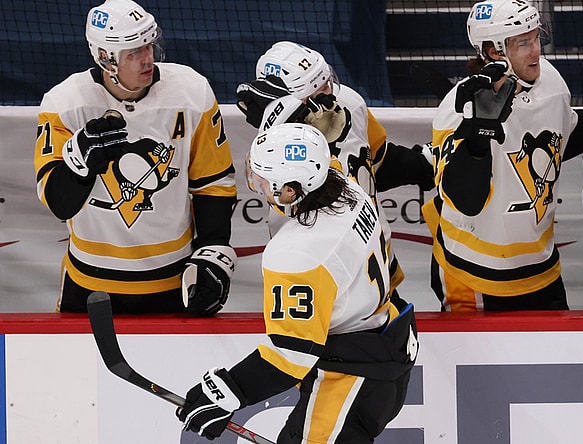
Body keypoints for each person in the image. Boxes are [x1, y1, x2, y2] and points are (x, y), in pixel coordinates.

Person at [176, 123, 418, 442]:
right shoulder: (347, 187)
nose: (256, 183)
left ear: (289, 190)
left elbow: (292, 355)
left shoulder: (298, 253)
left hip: (349, 378)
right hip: (388, 344)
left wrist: (227, 391)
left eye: (262, 178)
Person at [33, 0, 237, 315]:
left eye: (149, 45)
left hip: (175, 282)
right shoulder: (64, 104)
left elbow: (213, 182)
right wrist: (80, 161)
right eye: (134, 52)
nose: (148, 58)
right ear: (106, 59)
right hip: (90, 286)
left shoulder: (192, 92)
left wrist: (213, 250)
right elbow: (58, 202)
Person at [235, 40, 428, 306]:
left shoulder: (350, 103)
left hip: (376, 268)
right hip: (316, 283)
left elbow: (375, 160)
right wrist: (322, 144)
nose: (331, 94)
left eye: (327, 82)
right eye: (319, 90)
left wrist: (424, 163)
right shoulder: (271, 154)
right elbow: (306, 206)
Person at [421, 0, 578, 312]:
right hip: (473, 273)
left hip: (540, 267)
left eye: (536, 38)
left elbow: (563, 141)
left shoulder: (553, 83)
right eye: (523, 43)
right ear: (494, 52)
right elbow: (466, 200)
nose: (537, 51)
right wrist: (478, 136)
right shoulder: (458, 108)